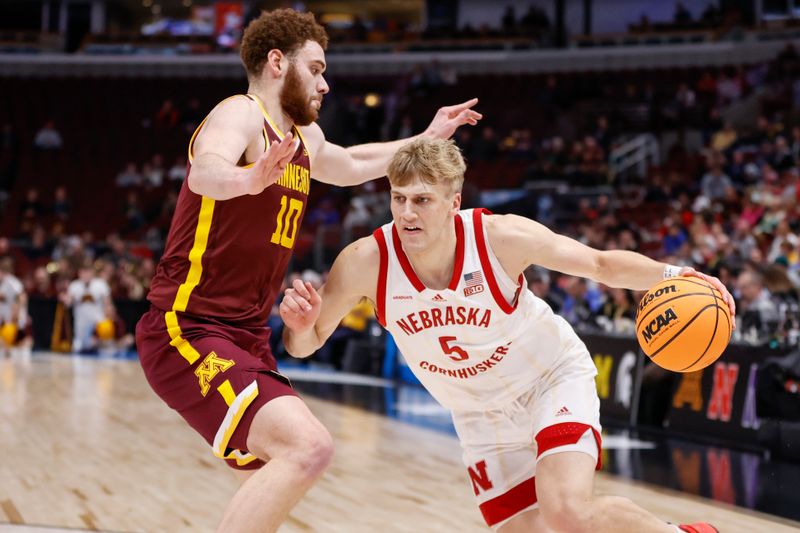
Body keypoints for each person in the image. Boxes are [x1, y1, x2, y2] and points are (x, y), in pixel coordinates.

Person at [134, 8, 481, 533]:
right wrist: (249, 179)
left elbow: (350, 164)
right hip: (188, 327)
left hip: (245, 336)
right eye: (315, 68)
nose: (325, 82)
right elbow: (206, 172)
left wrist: (426, 139)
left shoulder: (302, 138)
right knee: (309, 447)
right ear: (278, 63)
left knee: (270, 473)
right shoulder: (241, 114)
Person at [280, 138, 734, 533]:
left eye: (422, 200)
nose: (407, 213)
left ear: (453, 202)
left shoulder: (500, 237)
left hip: (547, 379)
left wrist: (678, 274)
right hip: (477, 414)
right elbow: (306, 345)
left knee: (566, 512)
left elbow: (598, 264)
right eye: (398, 199)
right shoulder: (366, 260)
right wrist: (298, 329)